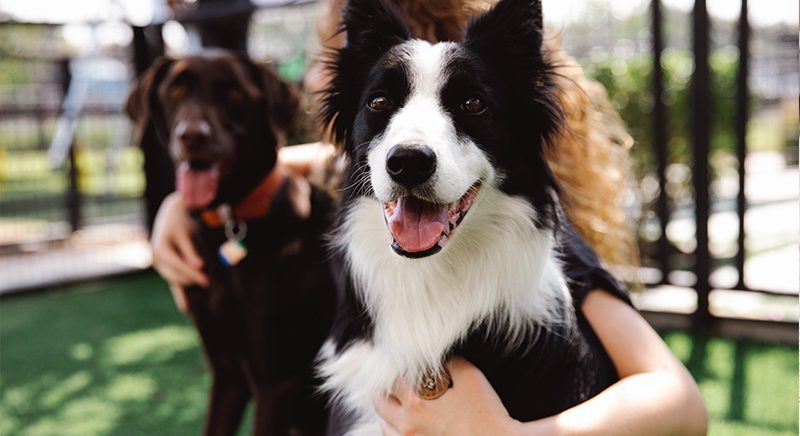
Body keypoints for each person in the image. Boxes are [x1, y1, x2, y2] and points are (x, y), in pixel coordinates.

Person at [148, 0, 708, 434]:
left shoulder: (552, 248)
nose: (317, 81)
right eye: (379, 102)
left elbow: (677, 399)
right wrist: (186, 200)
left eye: (467, 104)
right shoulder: (363, 172)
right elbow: (332, 159)